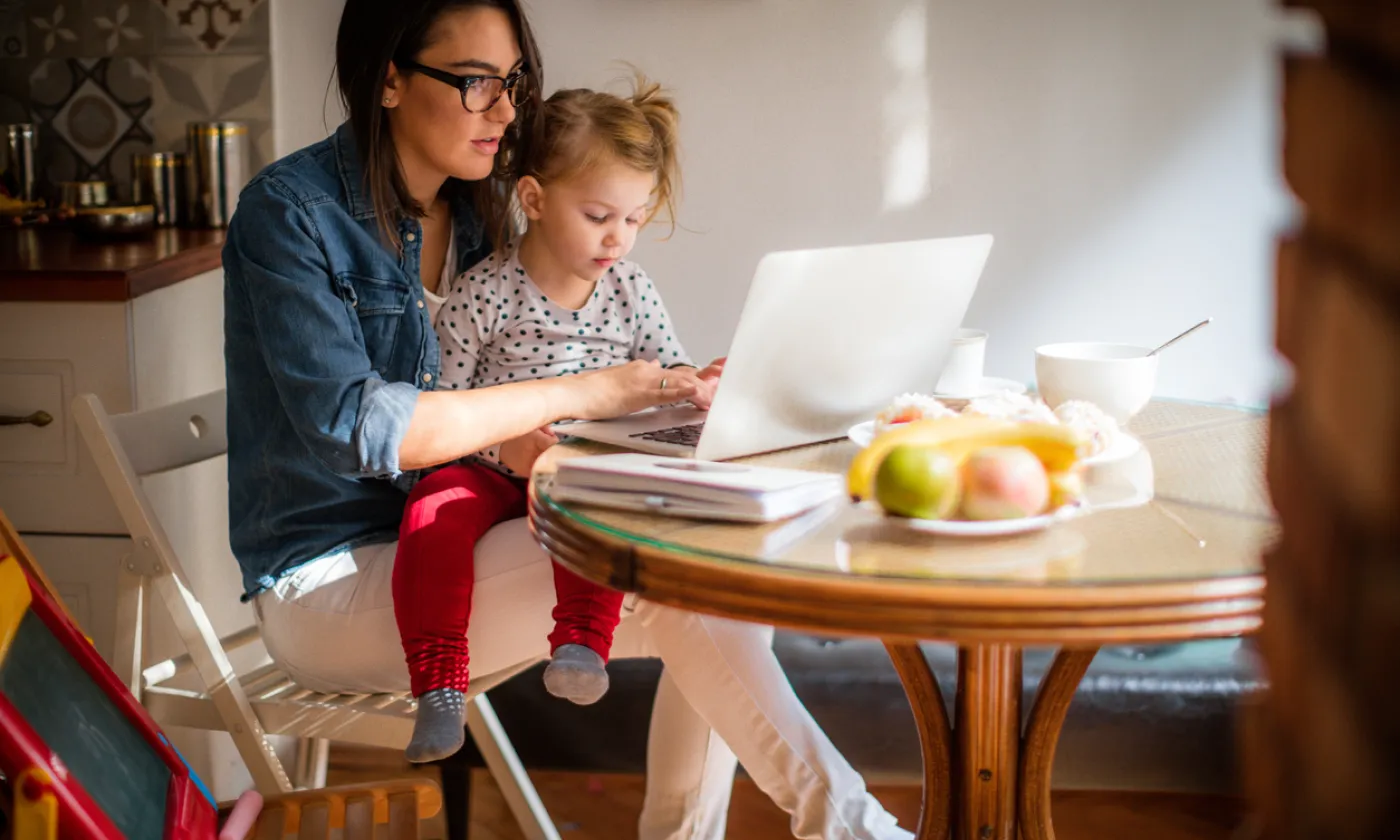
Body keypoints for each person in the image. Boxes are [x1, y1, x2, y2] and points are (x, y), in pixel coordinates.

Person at [222, 1, 912, 837]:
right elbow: (367, 431)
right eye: (477, 83)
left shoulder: (479, 210)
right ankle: (852, 828)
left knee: (712, 573)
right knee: (663, 567)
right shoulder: (291, 213)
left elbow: (506, 394)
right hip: (334, 576)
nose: (508, 111)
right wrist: (586, 393)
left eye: (512, 83)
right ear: (392, 80)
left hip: (467, 533)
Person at [394, 76, 727, 762]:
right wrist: (507, 450)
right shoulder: (484, 291)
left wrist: (699, 385)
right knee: (431, 514)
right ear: (536, 199)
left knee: (599, 508)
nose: (620, 239)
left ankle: (581, 643)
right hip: (488, 467)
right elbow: (442, 418)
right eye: (601, 216)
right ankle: (438, 686)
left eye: (634, 219)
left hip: (579, 468)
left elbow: (667, 374)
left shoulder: (631, 290)